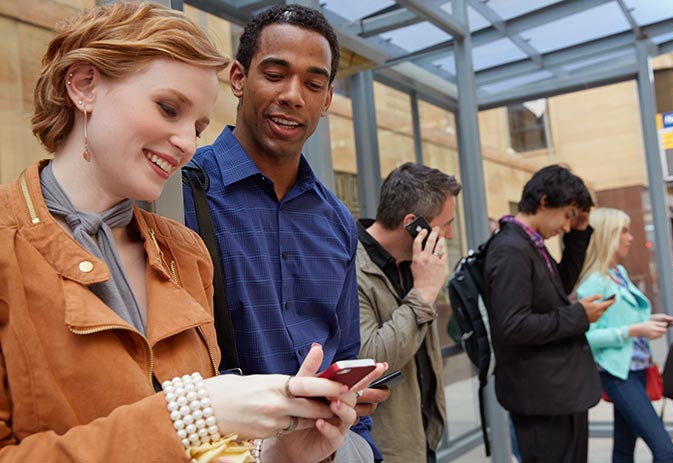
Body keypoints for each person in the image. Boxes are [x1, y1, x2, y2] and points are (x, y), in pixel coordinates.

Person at [0, 3, 386, 462]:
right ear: (85, 85)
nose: (186, 142)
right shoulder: (17, 245)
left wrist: (277, 453)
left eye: (197, 126)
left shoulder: (184, 253)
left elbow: (210, 450)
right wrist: (196, 412)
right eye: (168, 109)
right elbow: (195, 423)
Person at [182, 5, 386, 461]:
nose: (294, 95)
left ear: (328, 100)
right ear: (238, 78)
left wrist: (360, 444)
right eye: (275, 74)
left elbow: (346, 347)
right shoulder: (182, 192)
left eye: (313, 84)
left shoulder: (335, 218)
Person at [483, 164, 615, 463]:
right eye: (568, 215)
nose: (567, 226)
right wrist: (580, 315)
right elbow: (513, 326)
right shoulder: (511, 249)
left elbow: (560, 287)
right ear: (544, 201)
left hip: (557, 393)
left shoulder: (529, 243)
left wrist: (580, 232)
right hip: (541, 397)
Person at [356, 162, 460, 463]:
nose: (450, 235)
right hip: (386, 449)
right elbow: (370, 356)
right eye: (447, 223)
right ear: (414, 223)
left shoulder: (416, 264)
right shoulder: (352, 267)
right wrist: (425, 294)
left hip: (422, 437)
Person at [576, 208, 673, 463]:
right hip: (618, 374)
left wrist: (649, 321)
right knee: (664, 450)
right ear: (607, 235)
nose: (630, 238)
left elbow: (624, 318)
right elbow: (587, 337)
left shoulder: (617, 273)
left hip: (637, 368)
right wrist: (634, 330)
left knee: (624, 447)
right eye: (624, 231)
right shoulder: (593, 283)